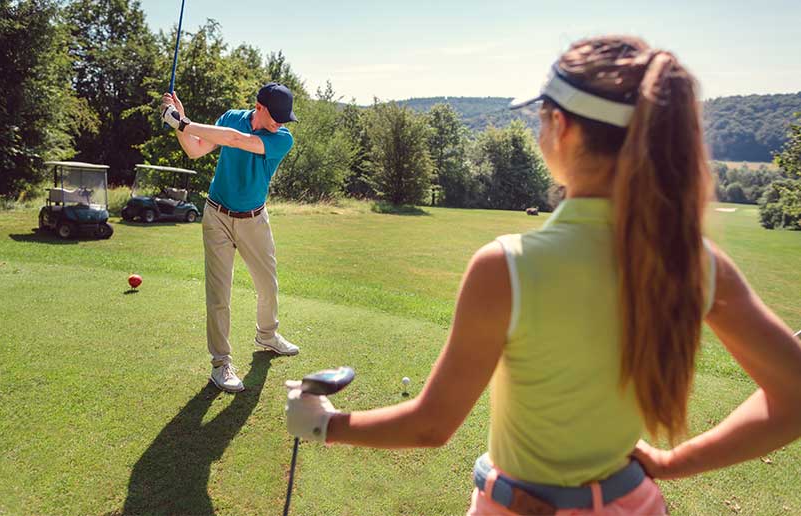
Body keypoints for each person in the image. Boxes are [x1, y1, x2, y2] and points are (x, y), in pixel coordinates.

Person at [284, 36, 801, 515]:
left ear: (564, 127)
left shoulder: (505, 265)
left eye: (542, 116)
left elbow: (431, 426)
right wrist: (672, 464)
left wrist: (323, 423)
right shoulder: (696, 261)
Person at [162, 82, 300, 393]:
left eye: (284, 117)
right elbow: (195, 149)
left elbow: (236, 141)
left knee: (268, 283)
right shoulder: (230, 117)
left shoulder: (282, 139)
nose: (280, 122)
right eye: (275, 115)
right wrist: (179, 120)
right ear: (259, 106)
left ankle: (267, 334)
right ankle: (220, 363)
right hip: (217, 217)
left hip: (254, 219)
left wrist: (182, 122)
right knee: (218, 293)